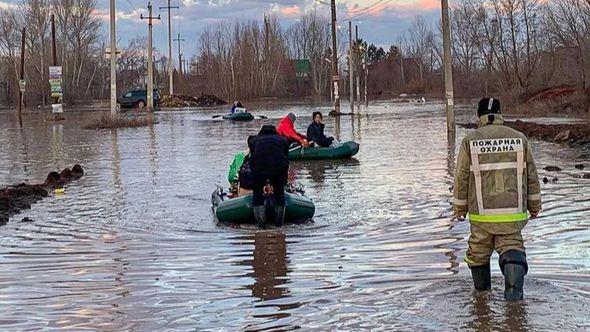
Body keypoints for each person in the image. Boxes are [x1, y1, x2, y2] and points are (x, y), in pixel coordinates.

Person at [453, 97, 541, 301]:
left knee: (478, 254)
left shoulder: (470, 141)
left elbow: (461, 178)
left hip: (482, 217)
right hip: (512, 215)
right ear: (500, 115)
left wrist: (459, 209)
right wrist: (534, 206)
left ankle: (482, 302)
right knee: (513, 250)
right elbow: (532, 176)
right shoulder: (519, 139)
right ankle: (514, 301)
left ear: (479, 116)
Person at [250, 125, 289, 227]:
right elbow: (286, 157)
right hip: (278, 168)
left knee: (257, 193)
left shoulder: (255, 140)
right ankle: (279, 225)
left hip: (259, 168)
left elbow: (252, 153)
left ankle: (261, 225)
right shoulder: (282, 140)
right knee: (280, 193)